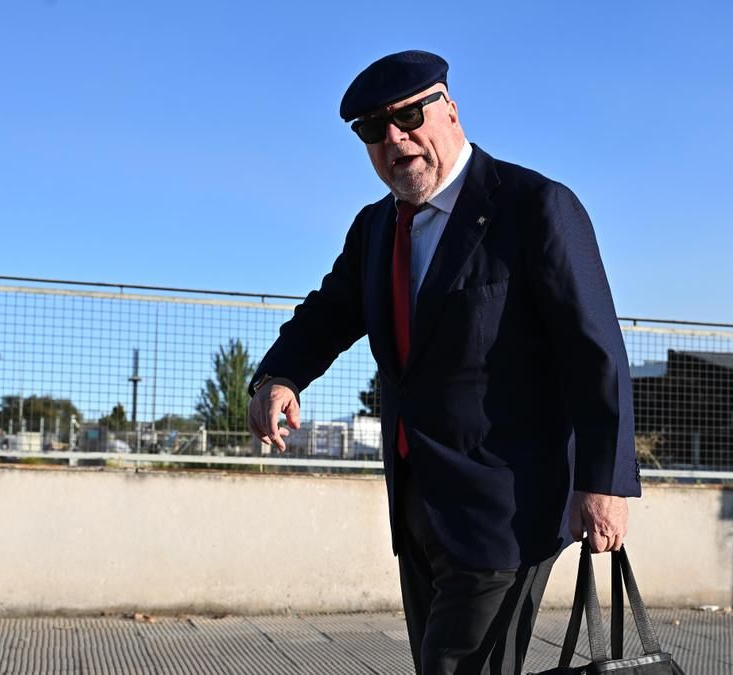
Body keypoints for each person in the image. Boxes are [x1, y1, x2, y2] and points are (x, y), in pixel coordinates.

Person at [247, 50, 640, 675]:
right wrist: (278, 376)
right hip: (417, 506)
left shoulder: (534, 206)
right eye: (373, 131)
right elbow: (329, 312)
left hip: (505, 508)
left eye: (408, 116)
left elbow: (595, 350)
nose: (395, 140)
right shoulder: (376, 229)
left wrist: (605, 483)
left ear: (450, 109)